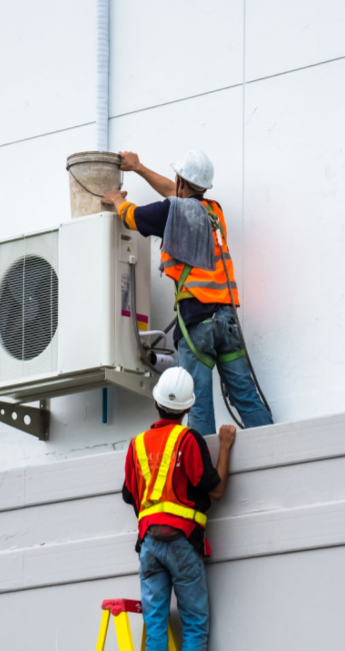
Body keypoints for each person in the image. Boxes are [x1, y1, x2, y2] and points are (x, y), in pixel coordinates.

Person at [101, 150, 272, 436]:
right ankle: (275, 450)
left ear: (181, 179)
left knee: (200, 406)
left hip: (197, 322)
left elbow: (133, 218)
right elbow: (177, 193)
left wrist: (117, 200)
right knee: (246, 395)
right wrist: (139, 168)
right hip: (228, 321)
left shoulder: (171, 212)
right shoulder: (213, 211)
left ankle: (202, 474)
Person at [121, 367, 235, 651]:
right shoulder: (188, 440)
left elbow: (130, 495)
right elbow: (218, 490)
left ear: (156, 403)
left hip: (149, 546)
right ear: (188, 407)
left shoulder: (137, 445)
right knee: (195, 626)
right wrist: (224, 447)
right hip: (182, 542)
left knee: (155, 625)